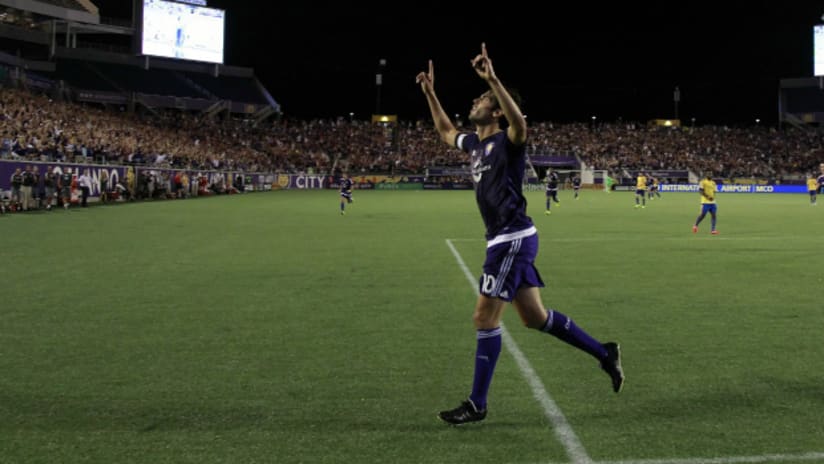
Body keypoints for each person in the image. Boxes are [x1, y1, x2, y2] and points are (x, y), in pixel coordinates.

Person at [416, 43, 624, 426]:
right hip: (508, 238)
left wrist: (492, 80)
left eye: (483, 100)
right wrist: (430, 94)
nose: (475, 102)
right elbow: (446, 131)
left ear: (496, 109)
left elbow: (521, 125)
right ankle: (604, 352)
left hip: (510, 239)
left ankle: (477, 404)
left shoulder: (508, 141)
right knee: (534, 318)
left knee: (484, 317)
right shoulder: (476, 143)